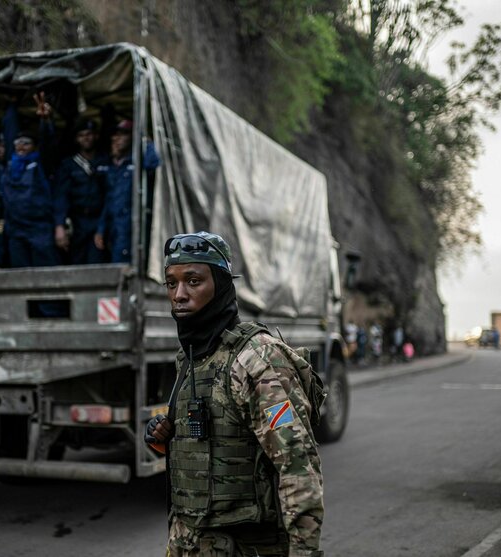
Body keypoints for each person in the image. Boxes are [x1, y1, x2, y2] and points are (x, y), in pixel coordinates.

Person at [145, 231, 324, 557]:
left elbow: (298, 465)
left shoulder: (255, 359)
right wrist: (171, 434)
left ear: (222, 285)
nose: (179, 295)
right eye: (171, 283)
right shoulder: (192, 357)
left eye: (194, 281)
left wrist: (304, 552)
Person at [0, 128, 63, 268]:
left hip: (40, 229)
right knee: (20, 274)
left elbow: (48, 144)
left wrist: (45, 123)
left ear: (34, 147)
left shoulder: (41, 164)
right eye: (18, 143)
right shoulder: (9, 167)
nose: (21, 147)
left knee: (45, 272)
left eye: (26, 143)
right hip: (16, 230)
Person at [94, 119, 160, 263]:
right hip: (115, 227)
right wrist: (101, 228)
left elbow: (153, 165)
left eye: (122, 135)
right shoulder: (113, 165)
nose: (116, 139)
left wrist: (146, 143)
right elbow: (109, 199)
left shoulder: (137, 160)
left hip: (134, 224)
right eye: (115, 135)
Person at [55, 119, 108, 264]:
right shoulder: (69, 165)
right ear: (76, 139)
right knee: (76, 262)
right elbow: (61, 196)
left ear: (96, 136)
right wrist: (59, 226)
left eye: (89, 134)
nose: (86, 138)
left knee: (97, 261)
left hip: (99, 220)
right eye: (82, 135)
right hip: (77, 221)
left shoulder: (105, 162)